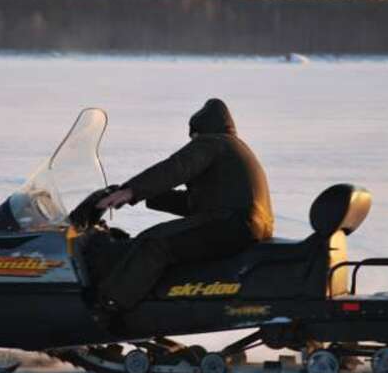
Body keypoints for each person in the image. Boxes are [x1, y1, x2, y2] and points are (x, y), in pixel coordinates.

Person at [95, 98, 274, 312]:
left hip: (230, 223)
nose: (191, 141)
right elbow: (204, 202)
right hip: (246, 225)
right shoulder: (232, 147)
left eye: (193, 136)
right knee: (167, 240)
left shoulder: (212, 142)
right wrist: (152, 197)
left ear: (200, 130)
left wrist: (132, 190)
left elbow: (177, 168)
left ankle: (108, 306)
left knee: (153, 243)